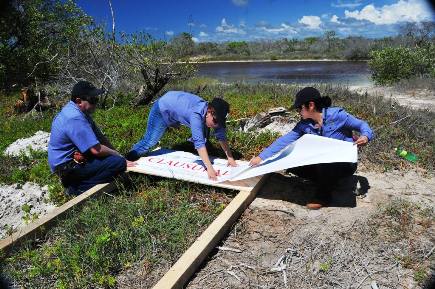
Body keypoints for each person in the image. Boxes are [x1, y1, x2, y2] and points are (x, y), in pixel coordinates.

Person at [249, 87, 374, 209]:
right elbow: (284, 140)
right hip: (323, 164)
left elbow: (363, 125)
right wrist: (261, 157)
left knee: (324, 162)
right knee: (292, 165)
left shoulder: (338, 116)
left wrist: (365, 136)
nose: (298, 111)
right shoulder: (304, 124)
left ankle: (323, 196)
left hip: (344, 165)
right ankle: (329, 181)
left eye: (299, 108)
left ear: (311, 105)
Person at [126, 91, 237, 180]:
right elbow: (199, 144)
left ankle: (200, 149)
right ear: (209, 111)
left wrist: (230, 158)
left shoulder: (214, 116)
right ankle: (126, 160)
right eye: (216, 121)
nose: (217, 125)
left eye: (220, 122)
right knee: (149, 141)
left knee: (205, 132)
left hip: (175, 106)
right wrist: (209, 168)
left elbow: (221, 136)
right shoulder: (196, 115)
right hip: (162, 109)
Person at [48, 81, 134, 196]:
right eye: (92, 100)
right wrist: (119, 157)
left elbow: (100, 138)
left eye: (96, 99)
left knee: (118, 160)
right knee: (118, 163)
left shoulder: (79, 112)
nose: (95, 103)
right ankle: (77, 189)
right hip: (67, 167)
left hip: (75, 159)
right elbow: (96, 150)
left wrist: (118, 154)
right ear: (79, 101)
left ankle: (80, 182)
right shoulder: (75, 118)